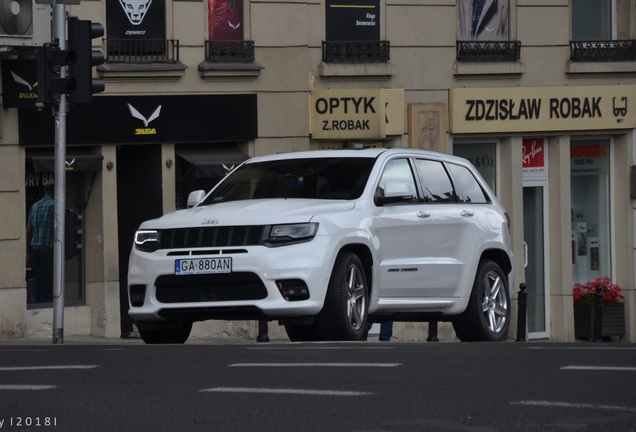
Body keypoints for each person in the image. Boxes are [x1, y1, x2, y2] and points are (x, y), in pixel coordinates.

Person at [26, 184, 55, 304]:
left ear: (45, 189)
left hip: (35, 250)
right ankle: (46, 308)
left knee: (39, 282)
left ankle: (38, 305)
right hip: (48, 249)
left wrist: (27, 252)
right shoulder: (55, 206)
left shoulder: (35, 205)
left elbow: (28, 231)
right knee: (49, 283)